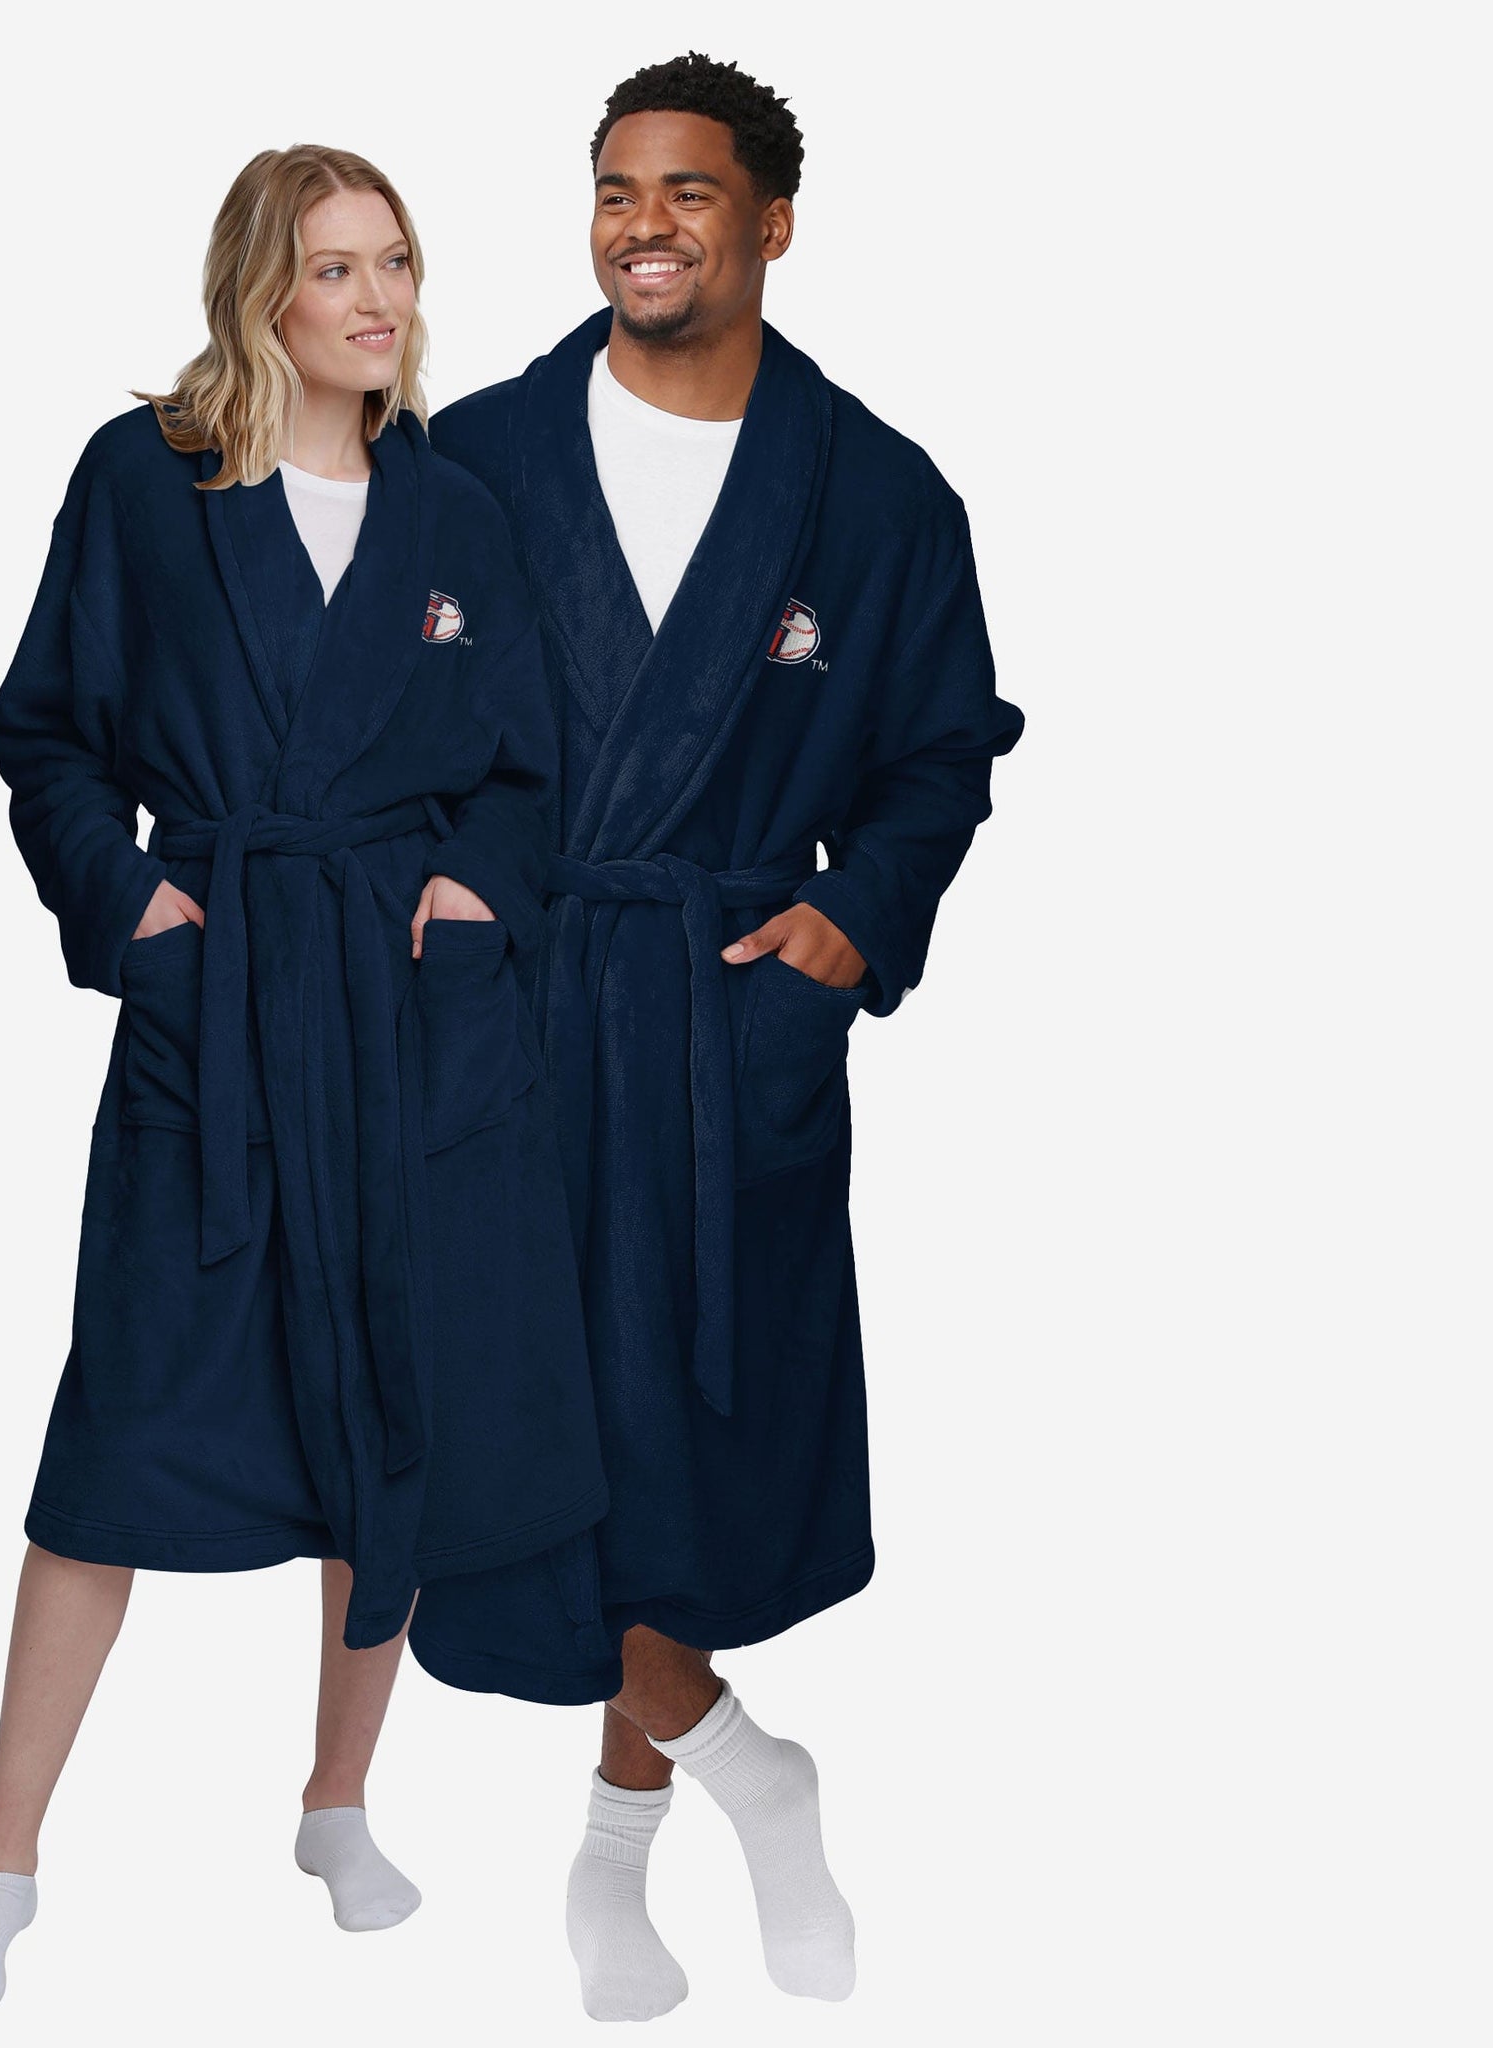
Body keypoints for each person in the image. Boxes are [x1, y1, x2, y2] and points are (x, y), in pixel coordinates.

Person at [0, 143, 604, 2022]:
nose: (378, 301)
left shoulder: (453, 510)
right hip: (216, 1007)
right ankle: (1, 1859)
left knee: (390, 1410)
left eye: (398, 262)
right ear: (260, 292)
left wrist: (474, 896)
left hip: (404, 1017)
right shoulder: (147, 480)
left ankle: (337, 1802)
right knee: (118, 1440)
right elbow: (44, 730)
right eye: (336, 268)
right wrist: (136, 911)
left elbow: (527, 772)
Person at [405, 55, 1025, 2020]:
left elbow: (942, 749)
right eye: (615, 189)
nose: (643, 224)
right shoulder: (477, 458)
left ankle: (610, 1860)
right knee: (516, 1448)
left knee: (660, 1450)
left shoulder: (872, 490)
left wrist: (852, 921)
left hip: (714, 1016)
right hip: (508, 1013)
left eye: (686, 190)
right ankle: (748, 1772)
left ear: (772, 220)